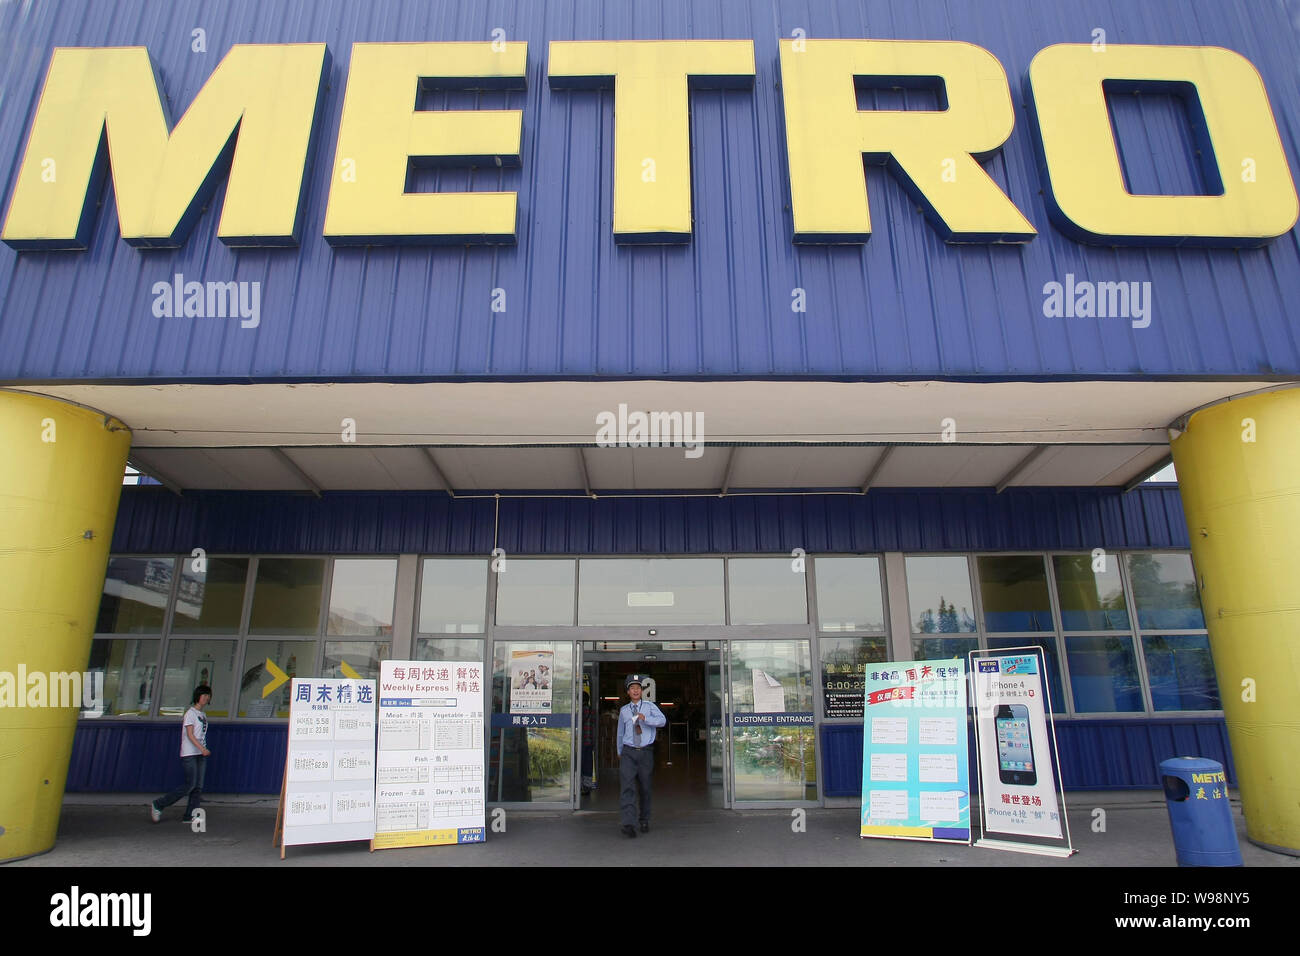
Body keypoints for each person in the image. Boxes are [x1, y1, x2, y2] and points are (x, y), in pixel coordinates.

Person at [149, 684, 212, 823]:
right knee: (190, 785)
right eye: (204, 695)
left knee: (198, 786)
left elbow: (200, 734)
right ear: (197, 696)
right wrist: (202, 749)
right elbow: (190, 735)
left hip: (201, 755)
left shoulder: (203, 715)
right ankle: (159, 804)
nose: (206, 698)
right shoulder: (190, 713)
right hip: (190, 754)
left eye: (208, 695)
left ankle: (190, 815)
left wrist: (203, 750)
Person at [616, 674, 665, 838]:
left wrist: (647, 719)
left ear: (642, 691)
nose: (635, 691)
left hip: (645, 751)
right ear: (628, 692)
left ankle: (644, 819)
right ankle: (628, 823)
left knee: (645, 787)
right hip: (629, 751)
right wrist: (619, 751)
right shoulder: (624, 711)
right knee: (627, 787)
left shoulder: (650, 706)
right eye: (632, 688)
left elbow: (662, 721)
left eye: (638, 688)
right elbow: (620, 733)